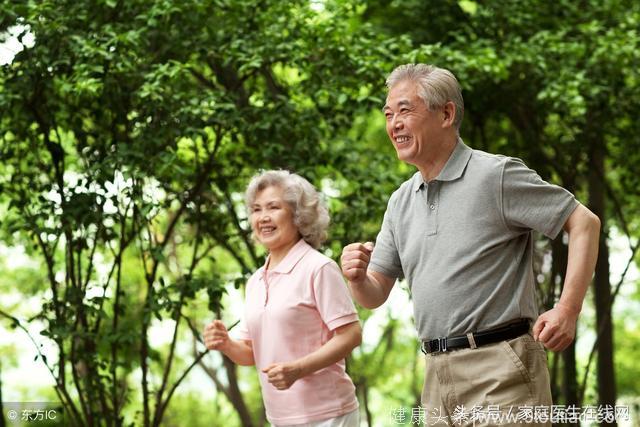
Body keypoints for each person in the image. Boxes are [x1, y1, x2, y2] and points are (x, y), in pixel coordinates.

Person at [340, 64, 600, 426]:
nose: (394, 124)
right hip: (435, 374)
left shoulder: (495, 176)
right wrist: (355, 277)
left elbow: (584, 222)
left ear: (446, 113)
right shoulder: (400, 202)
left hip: (500, 368)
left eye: (405, 110)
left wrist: (568, 309)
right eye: (388, 114)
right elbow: (373, 294)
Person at [204, 170, 361, 427]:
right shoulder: (255, 281)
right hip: (280, 418)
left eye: (273, 207)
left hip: (329, 414)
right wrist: (225, 343)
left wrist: (298, 369)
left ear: (298, 215)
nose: (263, 217)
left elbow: (351, 334)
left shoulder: (318, 268)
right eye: (256, 209)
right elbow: (250, 352)